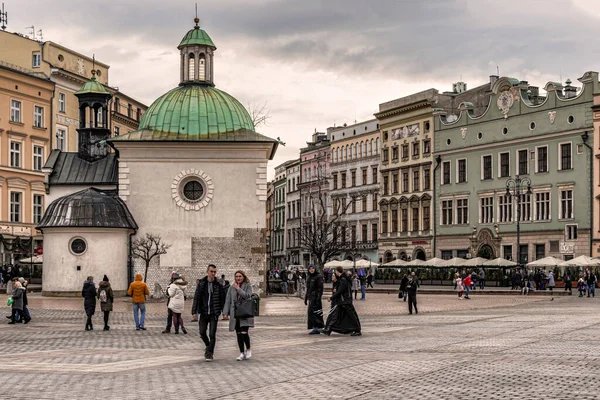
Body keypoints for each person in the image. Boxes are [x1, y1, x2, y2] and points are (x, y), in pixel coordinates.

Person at [192, 264, 226, 362]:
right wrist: (194, 311)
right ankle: (208, 346)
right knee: (202, 332)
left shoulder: (218, 284)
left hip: (214, 313)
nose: (213, 274)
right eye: (211, 271)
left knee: (212, 334)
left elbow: (222, 299)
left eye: (215, 272)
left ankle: (209, 353)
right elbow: (196, 298)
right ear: (207, 272)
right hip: (203, 312)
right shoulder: (202, 283)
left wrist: (224, 311)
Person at [223, 270, 254, 361]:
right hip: (235, 313)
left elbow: (248, 296)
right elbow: (228, 300)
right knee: (238, 334)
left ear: (243, 277)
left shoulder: (247, 286)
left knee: (244, 332)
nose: (238, 278)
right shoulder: (231, 287)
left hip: (244, 313)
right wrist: (225, 312)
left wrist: (238, 289)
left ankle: (248, 349)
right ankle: (241, 353)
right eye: (236, 276)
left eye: (240, 276)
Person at [321, 266, 361, 336]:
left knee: (351, 316)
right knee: (337, 315)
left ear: (337, 271)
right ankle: (329, 329)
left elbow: (340, 291)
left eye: (336, 272)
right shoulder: (343, 279)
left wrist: (331, 298)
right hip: (343, 301)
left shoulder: (343, 280)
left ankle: (357, 329)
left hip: (345, 301)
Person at [304, 265, 324, 334]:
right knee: (311, 313)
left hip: (316, 297)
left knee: (316, 312)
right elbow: (308, 288)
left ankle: (318, 327)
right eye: (310, 269)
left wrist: (318, 298)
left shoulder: (318, 277)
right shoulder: (309, 277)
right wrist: (306, 298)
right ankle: (314, 326)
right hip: (311, 298)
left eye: (313, 268)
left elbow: (320, 288)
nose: (311, 270)